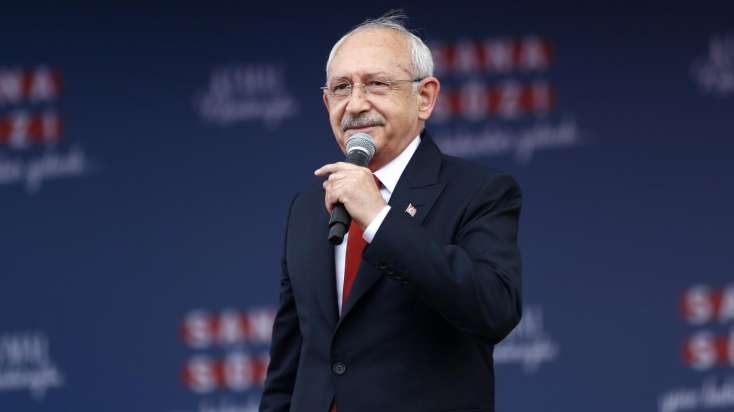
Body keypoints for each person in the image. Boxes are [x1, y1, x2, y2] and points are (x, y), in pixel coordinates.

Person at [260, 12, 522, 412]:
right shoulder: (309, 207)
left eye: (377, 84)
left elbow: (494, 308)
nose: (356, 104)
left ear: (425, 97)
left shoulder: (479, 191)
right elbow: (288, 364)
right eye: (342, 88)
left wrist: (380, 219)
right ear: (327, 102)